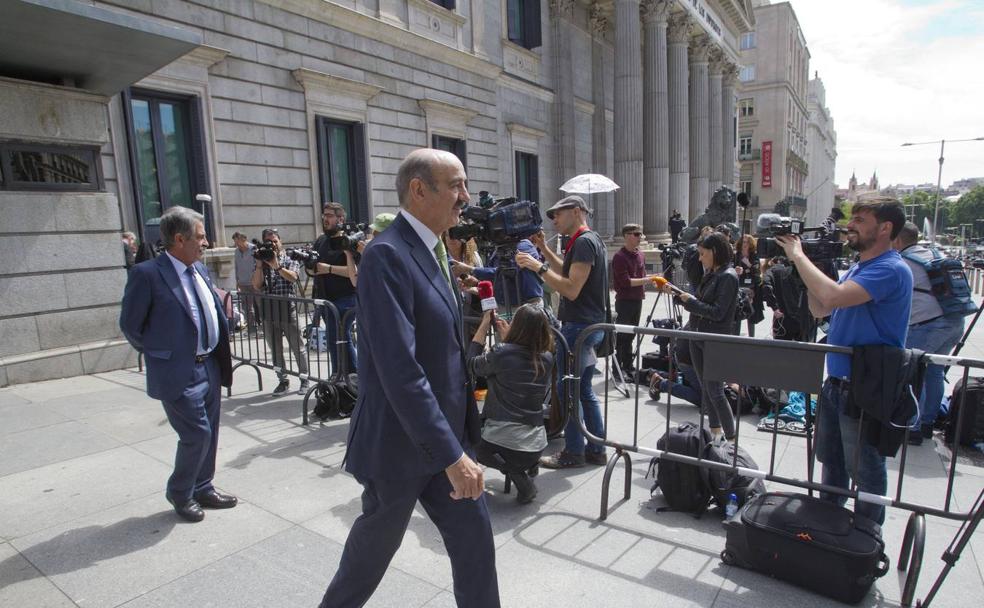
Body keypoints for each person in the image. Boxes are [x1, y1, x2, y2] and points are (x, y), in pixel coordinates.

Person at [319, 149, 499, 608]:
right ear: (420, 190)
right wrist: (451, 454)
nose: (465, 197)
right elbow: (401, 369)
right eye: (456, 185)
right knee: (368, 559)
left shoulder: (433, 249)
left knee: (475, 545)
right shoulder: (387, 255)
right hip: (401, 447)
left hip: (444, 439)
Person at [776, 197, 911, 525]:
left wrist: (798, 255)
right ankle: (829, 531)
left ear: (885, 228)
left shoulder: (890, 268)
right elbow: (821, 308)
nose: (850, 226)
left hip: (865, 385)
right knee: (831, 463)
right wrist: (810, 269)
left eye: (861, 220)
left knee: (865, 470)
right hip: (838, 383)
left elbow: (833, 297)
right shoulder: (861, 267)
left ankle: (866, 537)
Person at [119, 206, 237, 523]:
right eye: (200, 237)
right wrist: (163, 354)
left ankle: (203, 486)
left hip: (209, 365)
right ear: (179, 238)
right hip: (179, 372)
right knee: (196, 433)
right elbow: (131, 325)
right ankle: (180, 492)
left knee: (209, 431)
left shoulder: (198, 269)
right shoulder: (147, 274)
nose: (207, 242)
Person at [516, 194, 608, 469]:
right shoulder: (588, 240)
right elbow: (566, 273)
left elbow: (569, 288)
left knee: (567, 389)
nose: (553, 218)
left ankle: (573, 452)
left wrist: (536, 265)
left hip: (579, 328)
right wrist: (544, 248)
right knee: (583, 392)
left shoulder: (583, 242)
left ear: (577, 211)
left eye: (558, 213)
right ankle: (596, 448)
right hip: (588, 326)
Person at [468, 304, 554, 504]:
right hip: (538, 444)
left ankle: (521, 479)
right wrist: (508, 343)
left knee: (471, 443)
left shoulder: (502, 353)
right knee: (511, 445)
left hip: (507, 445)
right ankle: (526, 466)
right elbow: (520, 362)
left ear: (517, 326)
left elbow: (471, 364)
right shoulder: (547, 357)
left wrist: (483, 325)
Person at [659, 232, 739, 442]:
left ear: (714, 252)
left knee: (716, 392)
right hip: (698, 336)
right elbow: (701, 303)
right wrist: (680, 296)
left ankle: (731, 440)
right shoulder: (712, 273)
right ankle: (715, 435)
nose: (700, 258)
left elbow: (718, 312)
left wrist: (690, 301)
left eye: (703, 254)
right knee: (708, 391)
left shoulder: (728, 276)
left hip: (714, 340)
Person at [893, 222, 965, 445]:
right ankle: (926, 423)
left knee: (914, 374)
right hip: (954, 321)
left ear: (897, 239)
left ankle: (912, 426)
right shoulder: (934, 253)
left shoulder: (903, 262)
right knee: (933, 373)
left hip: (927, 324)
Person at [251, 228, 310, 396]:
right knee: (275, 349)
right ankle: (282, 381)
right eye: (269, 242)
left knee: (297, 347)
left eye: (275, 241)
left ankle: (304, 379)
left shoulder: (290, 257)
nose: (273, 244)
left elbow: (293, 277)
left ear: (280, 241)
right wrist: (259, 265)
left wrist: (276, 265)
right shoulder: (261, 260)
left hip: (287, 307)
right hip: (268, 309)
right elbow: (256, 285)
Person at [311, 203, 359, 374]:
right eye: (324, 215)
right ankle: (340, 374)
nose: (325, 219)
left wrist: (329, 268)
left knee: (340, 336)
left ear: (341, 219)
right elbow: (313, 268)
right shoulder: (321, 241)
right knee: (334, 339)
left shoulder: (350, 241)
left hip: (346, 298)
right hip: (326, 299)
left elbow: (356, 273)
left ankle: (350, 376)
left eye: (330, 215)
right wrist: (310, 266)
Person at [612, 223, 658, 372]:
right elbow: (626, 282)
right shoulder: (619, 257)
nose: (640, 237)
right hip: (624, 301)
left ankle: (628, 366)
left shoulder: (641, 254)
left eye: (641, 234)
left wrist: (655, 279)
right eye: (636, 234)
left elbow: (642, 276)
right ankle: (617, 369)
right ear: (626, 236)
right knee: (622, 337)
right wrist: (648, 280)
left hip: (637, 299)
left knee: (631, 335)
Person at [734, 233, 764, 336]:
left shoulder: (754, 255)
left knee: (751, 312)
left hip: (751, 287)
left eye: (747, 242)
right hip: (739, 286)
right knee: (738, 310)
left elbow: (757, 271)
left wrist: (748, 265)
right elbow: (730, 267)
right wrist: (736, 270)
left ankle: (752, 336)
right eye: (743, 242)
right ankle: (735, 335)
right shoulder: (736, 255)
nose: (745, 244)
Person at [231, 232, 259, 334]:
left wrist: (256, 278)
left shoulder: (254, 249)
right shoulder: (236, 252)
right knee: (247, 307)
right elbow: (236, 266)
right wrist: (237, 280)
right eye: (235, 242)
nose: (236, 244)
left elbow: (258, 265)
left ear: (244, 239)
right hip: (243, 283)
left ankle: (263, 327)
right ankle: (252, 328)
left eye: (237, 241)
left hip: (254, 282)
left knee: (259, 305)